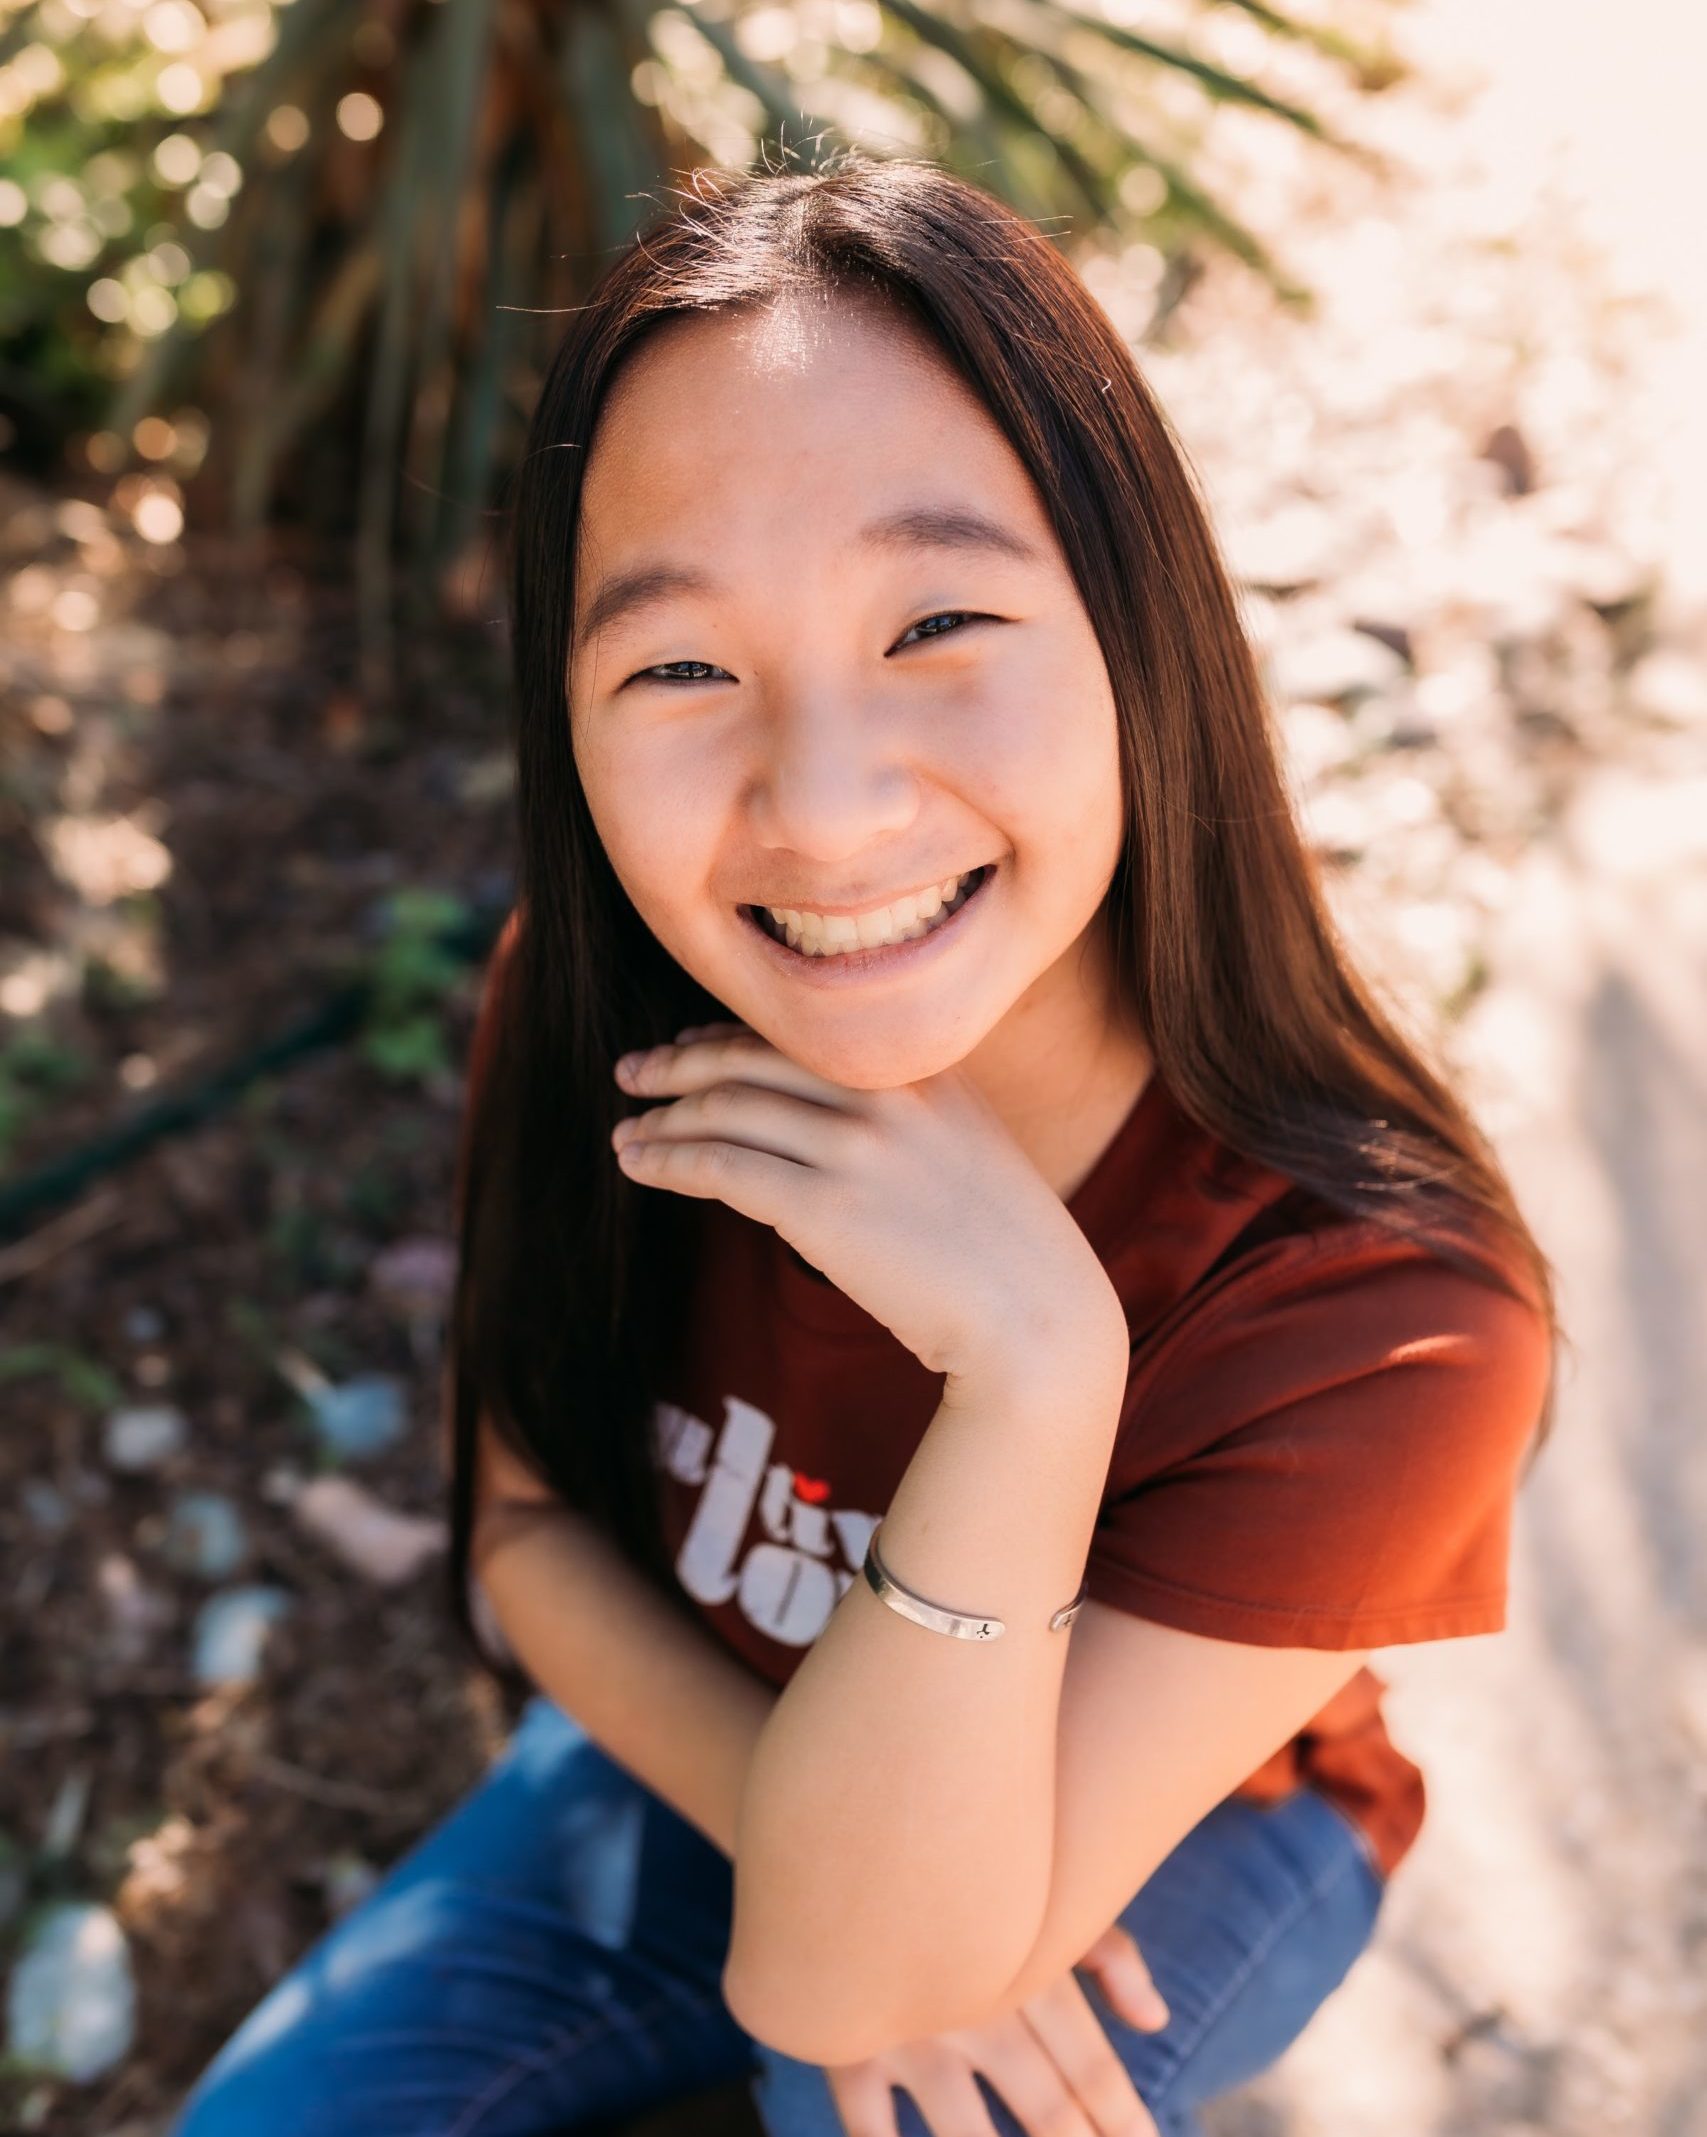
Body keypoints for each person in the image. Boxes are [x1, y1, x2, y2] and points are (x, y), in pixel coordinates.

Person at [172, 151, 1560, 2137]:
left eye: (934, 623)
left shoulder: (1377, 1304)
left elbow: (846, 1991)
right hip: (688, 1723)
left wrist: (1033, 1369)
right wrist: (801, 1827)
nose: (819, 809)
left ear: (1137, 635)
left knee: (875, 2094)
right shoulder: (598, 1024)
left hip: (1176, 1805)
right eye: (676, 666)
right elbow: (526, 1526)